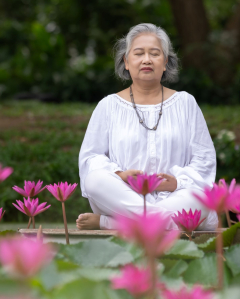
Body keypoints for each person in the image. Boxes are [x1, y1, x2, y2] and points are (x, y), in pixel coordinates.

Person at [75, 23, 218, 231]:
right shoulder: (108, 106)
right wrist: (120, 175)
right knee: (95, 180)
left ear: (166, 62)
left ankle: (113, 224)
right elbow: (90, 159)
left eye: (154, 53)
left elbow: (204, 159)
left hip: (177, 198)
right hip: (123, 197)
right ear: (126, 61)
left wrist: (176, 183)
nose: (147, 60)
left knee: (202, 198)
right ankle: (162, 223)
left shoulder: (186, 103)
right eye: (139, 53)